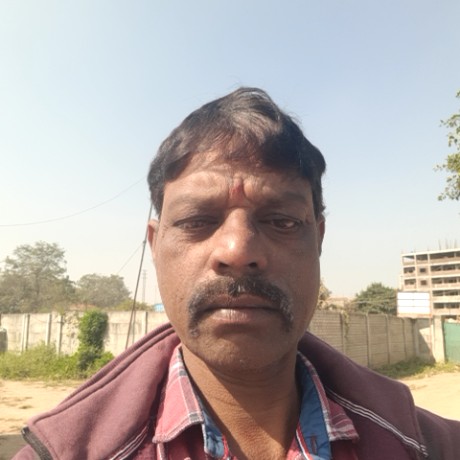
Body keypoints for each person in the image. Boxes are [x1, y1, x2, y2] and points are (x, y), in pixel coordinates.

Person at [14, 87, 459, 460]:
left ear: (318, 239)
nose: (238, 251)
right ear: (154, 245)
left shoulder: (433, 446)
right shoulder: (63, 452)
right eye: (196, 220)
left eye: (282, 221)